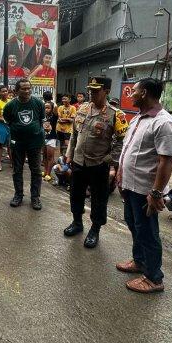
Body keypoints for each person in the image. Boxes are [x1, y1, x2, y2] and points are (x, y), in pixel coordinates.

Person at [114, 77, 172, 294]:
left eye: (133, 91)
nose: (130, 94)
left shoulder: (165, 123)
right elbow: (128, 151)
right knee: (134, 225)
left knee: (148, 232)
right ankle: (140, 261)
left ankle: (154, 277)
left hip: (145, 190)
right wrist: (120, 176)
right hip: (130, 186)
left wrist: (155, 193)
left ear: (144, 93)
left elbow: (167, 161)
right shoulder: (138, 118)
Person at [64, 77, 127, 248]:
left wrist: (109, 161)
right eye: (90, 89)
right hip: (78, 162)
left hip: (98, 165)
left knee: (99, 199)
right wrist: (69, 154)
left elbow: (122, 142)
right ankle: (77, 222)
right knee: (76, 194)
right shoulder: (82, 108)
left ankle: (95, 229)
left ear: (106, 91)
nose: (91, 93)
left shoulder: (116, 115)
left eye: (96, 90)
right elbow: (74, 134)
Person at [3, 79, 46, 210]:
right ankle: (18, 195)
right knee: (17, 170)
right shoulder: (10, 106)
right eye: (23, 89)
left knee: (37, 171)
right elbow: (8, 120)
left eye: (28, 88)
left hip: (35, 143)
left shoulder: (38, 103)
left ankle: (35, 198)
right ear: (16, 91)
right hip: (18, 143)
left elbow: (41, 120)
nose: (27, 91)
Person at [43, 101, 58, 181]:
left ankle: (49, 173)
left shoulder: (54, 116)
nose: (46, 109)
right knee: (44, 156)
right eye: (45, 107)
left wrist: (52, 102)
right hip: (43, 137)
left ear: (52, 109)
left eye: (48, 108)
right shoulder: (43, 116)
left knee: (50, 157)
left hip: (51, 138)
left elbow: (56, 108)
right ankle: (45, 172)